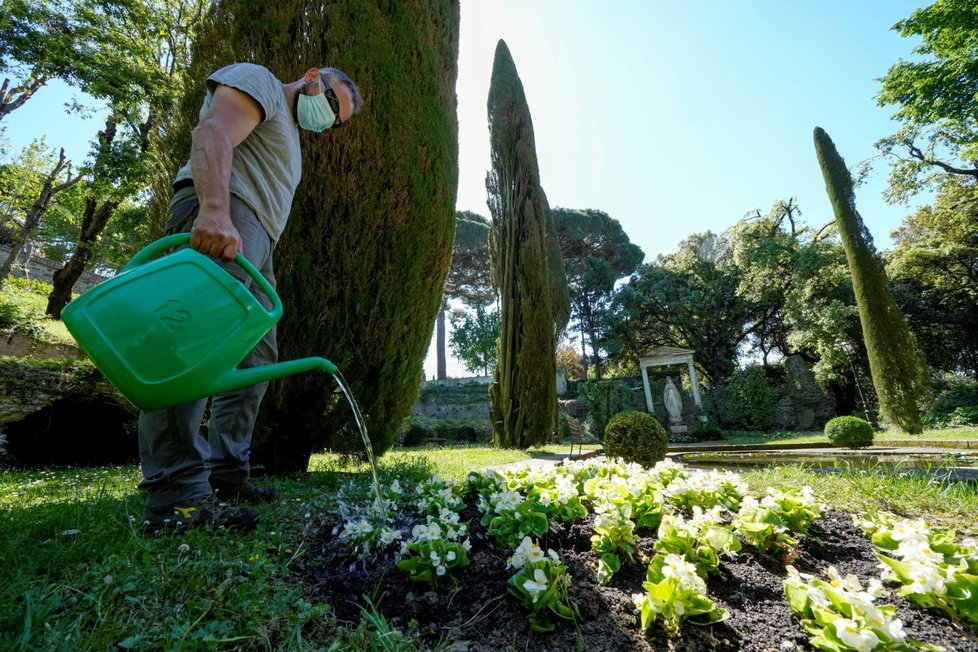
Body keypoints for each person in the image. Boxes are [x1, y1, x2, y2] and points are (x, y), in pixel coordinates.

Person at [139, 63, 362, 534]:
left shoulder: (289, 129)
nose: (327, 120)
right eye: (330, 105)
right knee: (191, 344)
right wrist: (215, 210)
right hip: (226, 215)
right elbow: (214, 130)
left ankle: (227, 475)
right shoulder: (261, 83)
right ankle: (175, 497)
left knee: (256, 358)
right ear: (313, 79)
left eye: (335, 122)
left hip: (256, 236)